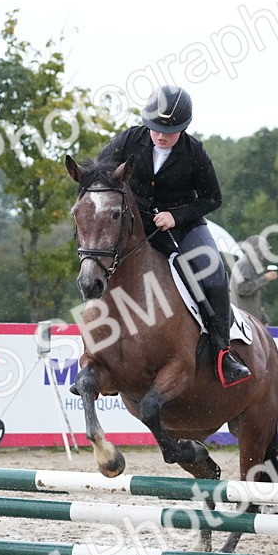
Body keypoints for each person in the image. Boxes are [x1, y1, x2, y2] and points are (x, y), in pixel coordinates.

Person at [97, 85, 249, 386]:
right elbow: (100, 172)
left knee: (215, 274)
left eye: (169, 131)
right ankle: (97, 353)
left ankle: (223, 351)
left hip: (183, 227)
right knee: (96, 262)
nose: (160, 136)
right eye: (155, 129)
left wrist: (175, 215)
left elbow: (212, 199)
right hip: (133, 223)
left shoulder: (194, 153)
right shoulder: (129, 139)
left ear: (184, 128)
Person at [230, 235, 278, 325]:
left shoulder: (249, 264)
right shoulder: (245, 264)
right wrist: (265, 278)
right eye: (263, 250)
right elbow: (242, 289)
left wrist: (262, 319)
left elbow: (252, 297)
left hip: (246, 320)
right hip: (244, 321)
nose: (265, 254)